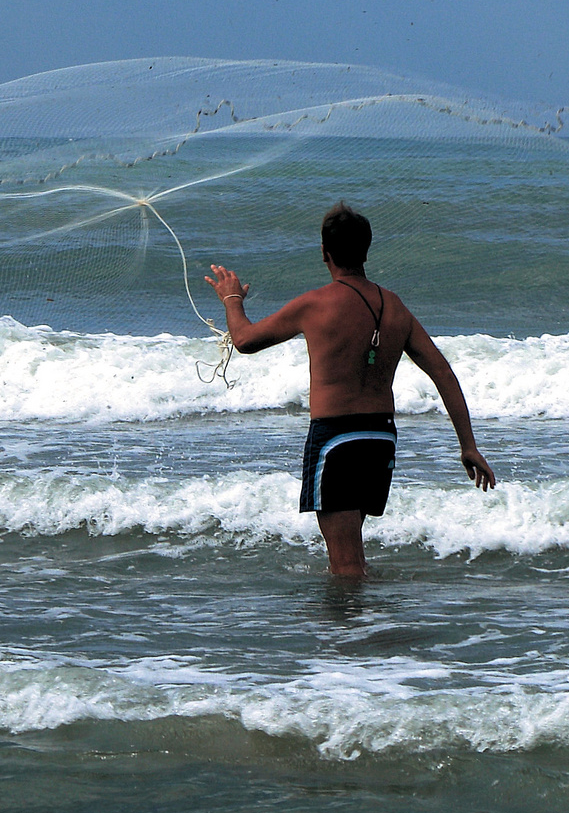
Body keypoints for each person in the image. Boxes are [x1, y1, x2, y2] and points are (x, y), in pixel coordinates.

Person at [204, 202, 495, 579]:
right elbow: (443, 373)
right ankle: (368, 627)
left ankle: (352, 634)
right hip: (380, 439)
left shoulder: (314, 304)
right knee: (354, 557)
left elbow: (244, 340)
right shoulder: (395, 307)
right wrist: (468, 445)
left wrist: (232, 299)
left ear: (324, 253)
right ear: (367, 251)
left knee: (346, 566)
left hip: (336, 439)